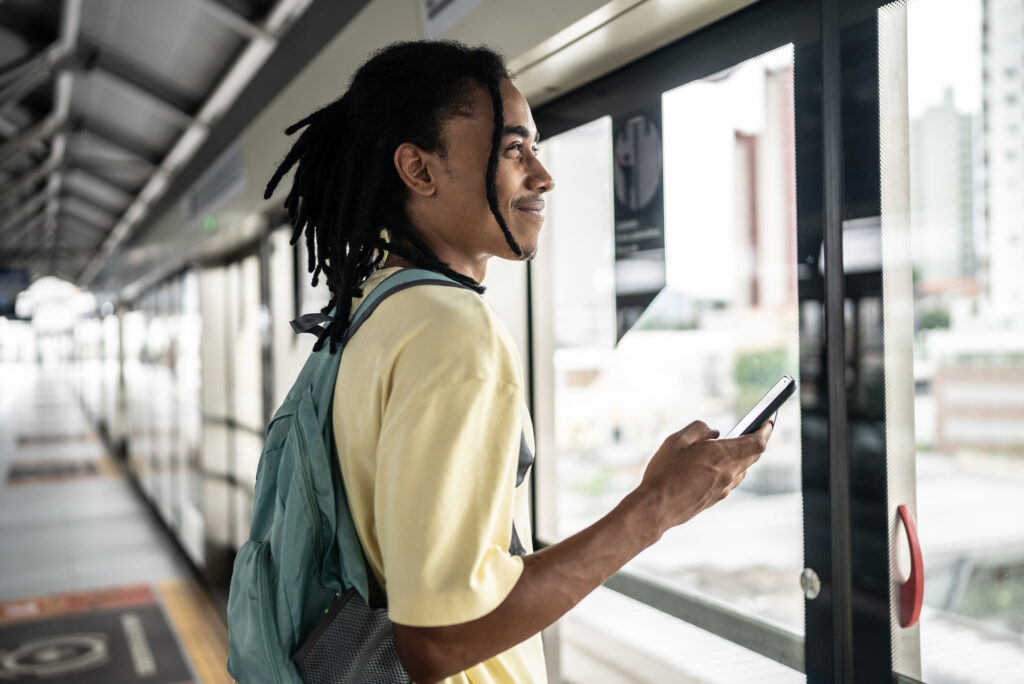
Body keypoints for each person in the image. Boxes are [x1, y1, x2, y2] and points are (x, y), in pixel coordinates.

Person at [265, 40, 773, 684]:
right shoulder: (451, 333)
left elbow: (455, 571)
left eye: (535, 147)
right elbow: (437, 641)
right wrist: (656, 508)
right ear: (419, 171)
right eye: (512, 150)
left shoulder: (370, 311)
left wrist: (650, 499)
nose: (542, 174)